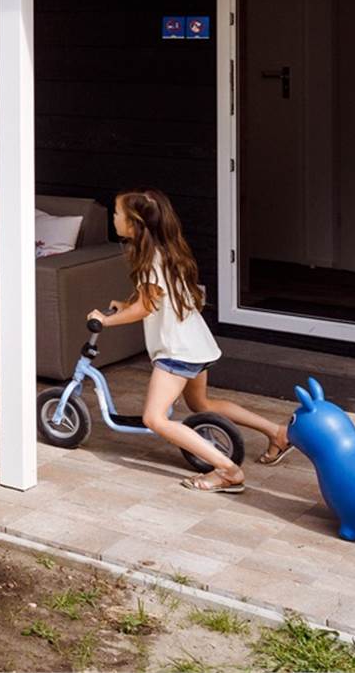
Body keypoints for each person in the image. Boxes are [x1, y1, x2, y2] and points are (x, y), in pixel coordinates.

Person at [86, 188, 291, 493]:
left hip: (177, 351)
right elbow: (156, 299)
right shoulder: (165, 251)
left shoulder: (151, 261)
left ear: (134, 223)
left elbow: (146, 308)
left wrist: (107, 320)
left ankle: (228, 471)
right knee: (200, 403)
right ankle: (277, 433)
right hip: (196, 343)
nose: (113, 217)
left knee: (154, 418)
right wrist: (125, 304)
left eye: (117, 213)